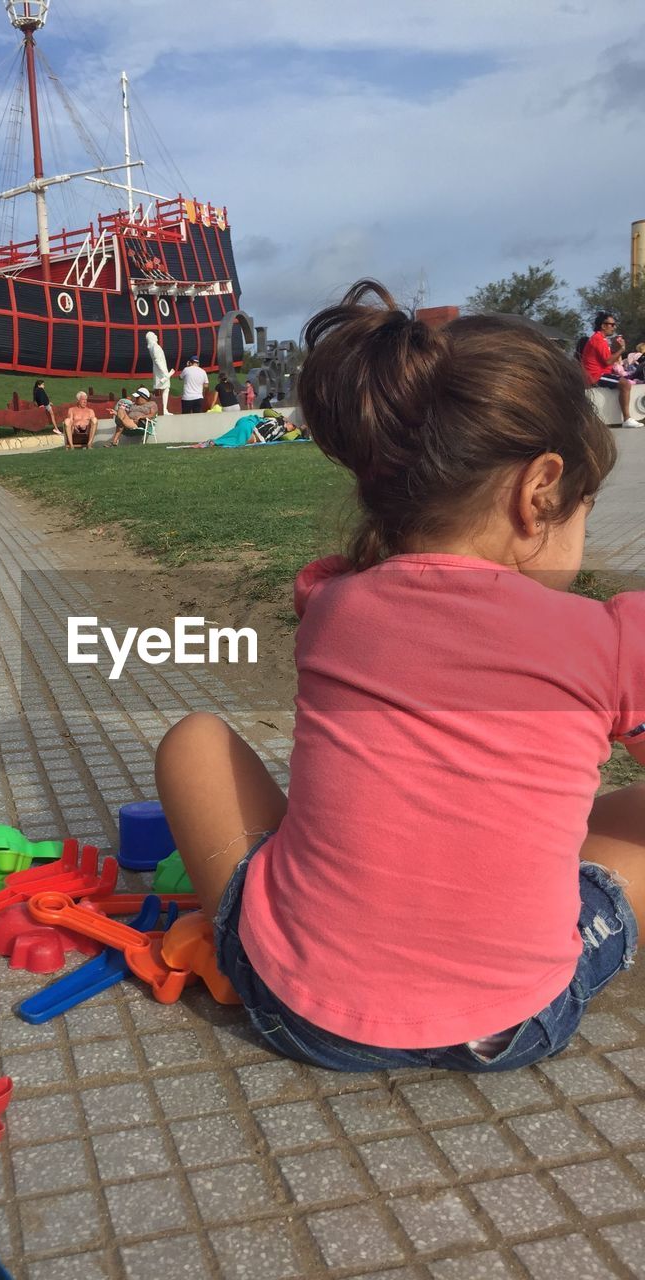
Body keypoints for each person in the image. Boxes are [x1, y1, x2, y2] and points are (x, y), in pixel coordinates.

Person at [155, 279, 643, 1075]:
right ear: (540, 490)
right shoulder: (611, 637)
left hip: (298, 1011)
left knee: (195, 738)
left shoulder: (330, 603)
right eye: (583, 511)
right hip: (518, 1021)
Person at [580, 311, 641, 428]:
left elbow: (607, 359)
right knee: (625, 384)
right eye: (612, 325)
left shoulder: (600, 339)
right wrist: (622, 349)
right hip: (594, 376)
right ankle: (627, 419)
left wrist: (615, 349)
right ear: (603, 326)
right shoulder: (598, 339)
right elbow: (608, 361)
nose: (614, 327)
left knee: (624, 381)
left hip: (597, 374)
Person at [146, 332, 174, 416]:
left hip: (158, 371)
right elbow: (157, 361)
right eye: (155, 335)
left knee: (162, 390)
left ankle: (163, 409)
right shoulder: (155, 347)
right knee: (165, 389)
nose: (156, 336)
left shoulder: (152, 347)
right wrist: (165, 373)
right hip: (161, 372)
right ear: (152, 337)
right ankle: (164, 409)